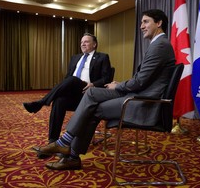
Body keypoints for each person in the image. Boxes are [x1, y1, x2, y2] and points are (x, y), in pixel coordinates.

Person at [32, 9, 176, 170]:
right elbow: (144, 79)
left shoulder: (160, 45)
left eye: (146, 22)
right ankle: (69, 151)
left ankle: (68, 148)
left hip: (144, 103)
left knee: (93, 103)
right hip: (137, 95)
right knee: (92, 97)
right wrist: (121, 83)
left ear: (159, 23)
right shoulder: (158, 44)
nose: (141, 26)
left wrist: (118, 85)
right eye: (141, 22)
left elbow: (140, 81)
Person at [23, 33, 112, 149]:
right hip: (73, 93)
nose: (83, 44)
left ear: (94, 44)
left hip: (88, 93)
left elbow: (107, 78)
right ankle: (52, 140)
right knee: (59, 101)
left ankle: (42, 102)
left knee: (73, 79)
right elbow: (67, 78)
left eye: (86, 41)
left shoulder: (102, 57)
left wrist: (93, 84)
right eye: (81, 42)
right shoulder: (75, 57)